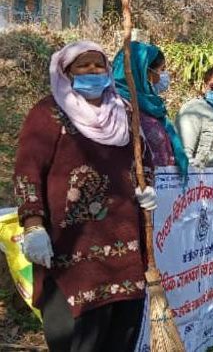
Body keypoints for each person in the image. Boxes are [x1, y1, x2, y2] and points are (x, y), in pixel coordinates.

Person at [14, 41, 156, 351]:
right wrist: (34, 224)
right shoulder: (47, 113)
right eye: (83, 66)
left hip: (125, 251)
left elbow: (143, 160)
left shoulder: (125, 112)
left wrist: (148, 188)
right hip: (71, 250)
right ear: (66, 72)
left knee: (121, 335)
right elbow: (28, 171)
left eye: (99, 65)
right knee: (78, 338)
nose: (93, 71)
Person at [112, 41, 189, 175]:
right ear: (144, 71)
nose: (163, 76)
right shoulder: (119, 106)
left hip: (162, 185)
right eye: (161, 70)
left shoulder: (151, 104)